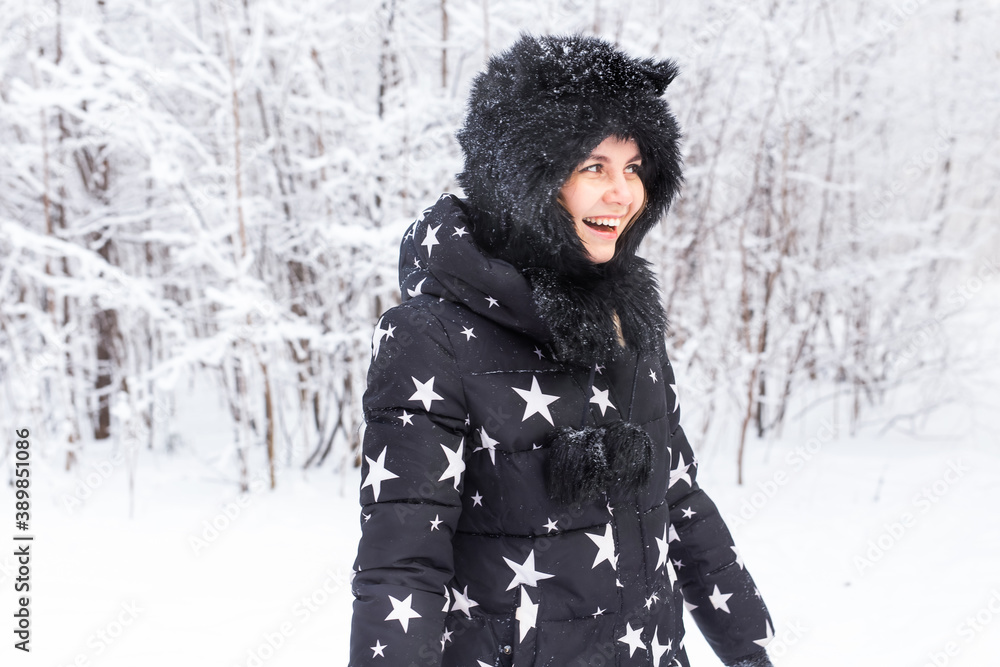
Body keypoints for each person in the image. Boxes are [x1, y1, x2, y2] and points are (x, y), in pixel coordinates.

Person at [350, 33, 774, 667]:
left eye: (634, 168)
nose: (622, 193)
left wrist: (749, 649)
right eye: (593, 167)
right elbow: (402, 562)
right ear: (525, 178)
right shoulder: (431, 337)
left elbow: (679, 497)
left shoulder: (627, 321)